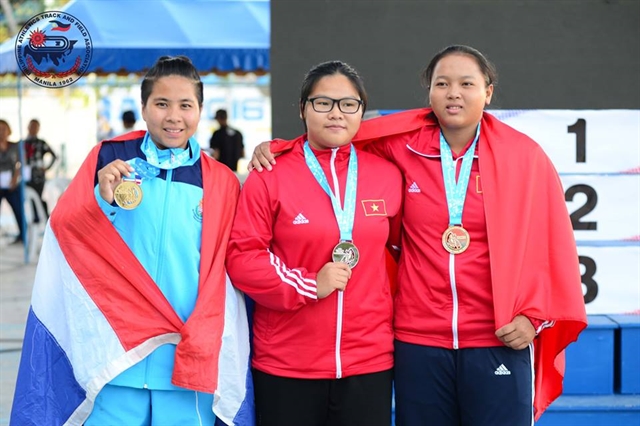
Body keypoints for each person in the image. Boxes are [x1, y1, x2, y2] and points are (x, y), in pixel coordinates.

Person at [250, 45, 588, 425]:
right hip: (417, 340)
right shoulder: (400, 146)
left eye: (466, 83)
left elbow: (552, 244)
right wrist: (278, 149)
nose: (453, 93)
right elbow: (335, 140)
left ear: (488, 91)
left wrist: (535, 316)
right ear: (429, 93)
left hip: (497, 336)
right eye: (442, 83)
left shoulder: (523, 157)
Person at [11, 56, 254, 426]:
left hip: (187, 355)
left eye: (185, 105)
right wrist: (101, 200)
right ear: (143, 108)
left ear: (200, 110)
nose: (174, 116)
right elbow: (67, 234)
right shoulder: (109, 158)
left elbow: (233, 260)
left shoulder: (220, 180)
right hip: (116, 352)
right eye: (161, 104)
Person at [226, 60, 403, 426]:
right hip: (287, 362)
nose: (336, 113)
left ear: (361, 112)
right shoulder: (270, 174)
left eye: (348, 104)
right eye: (323, 103)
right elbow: (243, 257)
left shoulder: (386, 174)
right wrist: (309, 285)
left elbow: (404, 253)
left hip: (368, 361)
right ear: (303, 109)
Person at [24, 118, 57, 221]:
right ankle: (36, 219)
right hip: (26, 175)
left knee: (38, 197)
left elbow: (54, 156)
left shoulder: (41, 143)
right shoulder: (23, 143)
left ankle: (45, 218)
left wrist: (46, 168)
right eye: (31, 126)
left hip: (38, 177)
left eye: (35, 127)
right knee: (30, 198)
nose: (33, 129)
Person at [0, 119, 25, 245]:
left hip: (12, 183)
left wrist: (16, 177)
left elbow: (21, 163)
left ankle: (23, 235)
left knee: (18, 209)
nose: (1, 132)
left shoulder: (14, 146)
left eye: (3, 129)